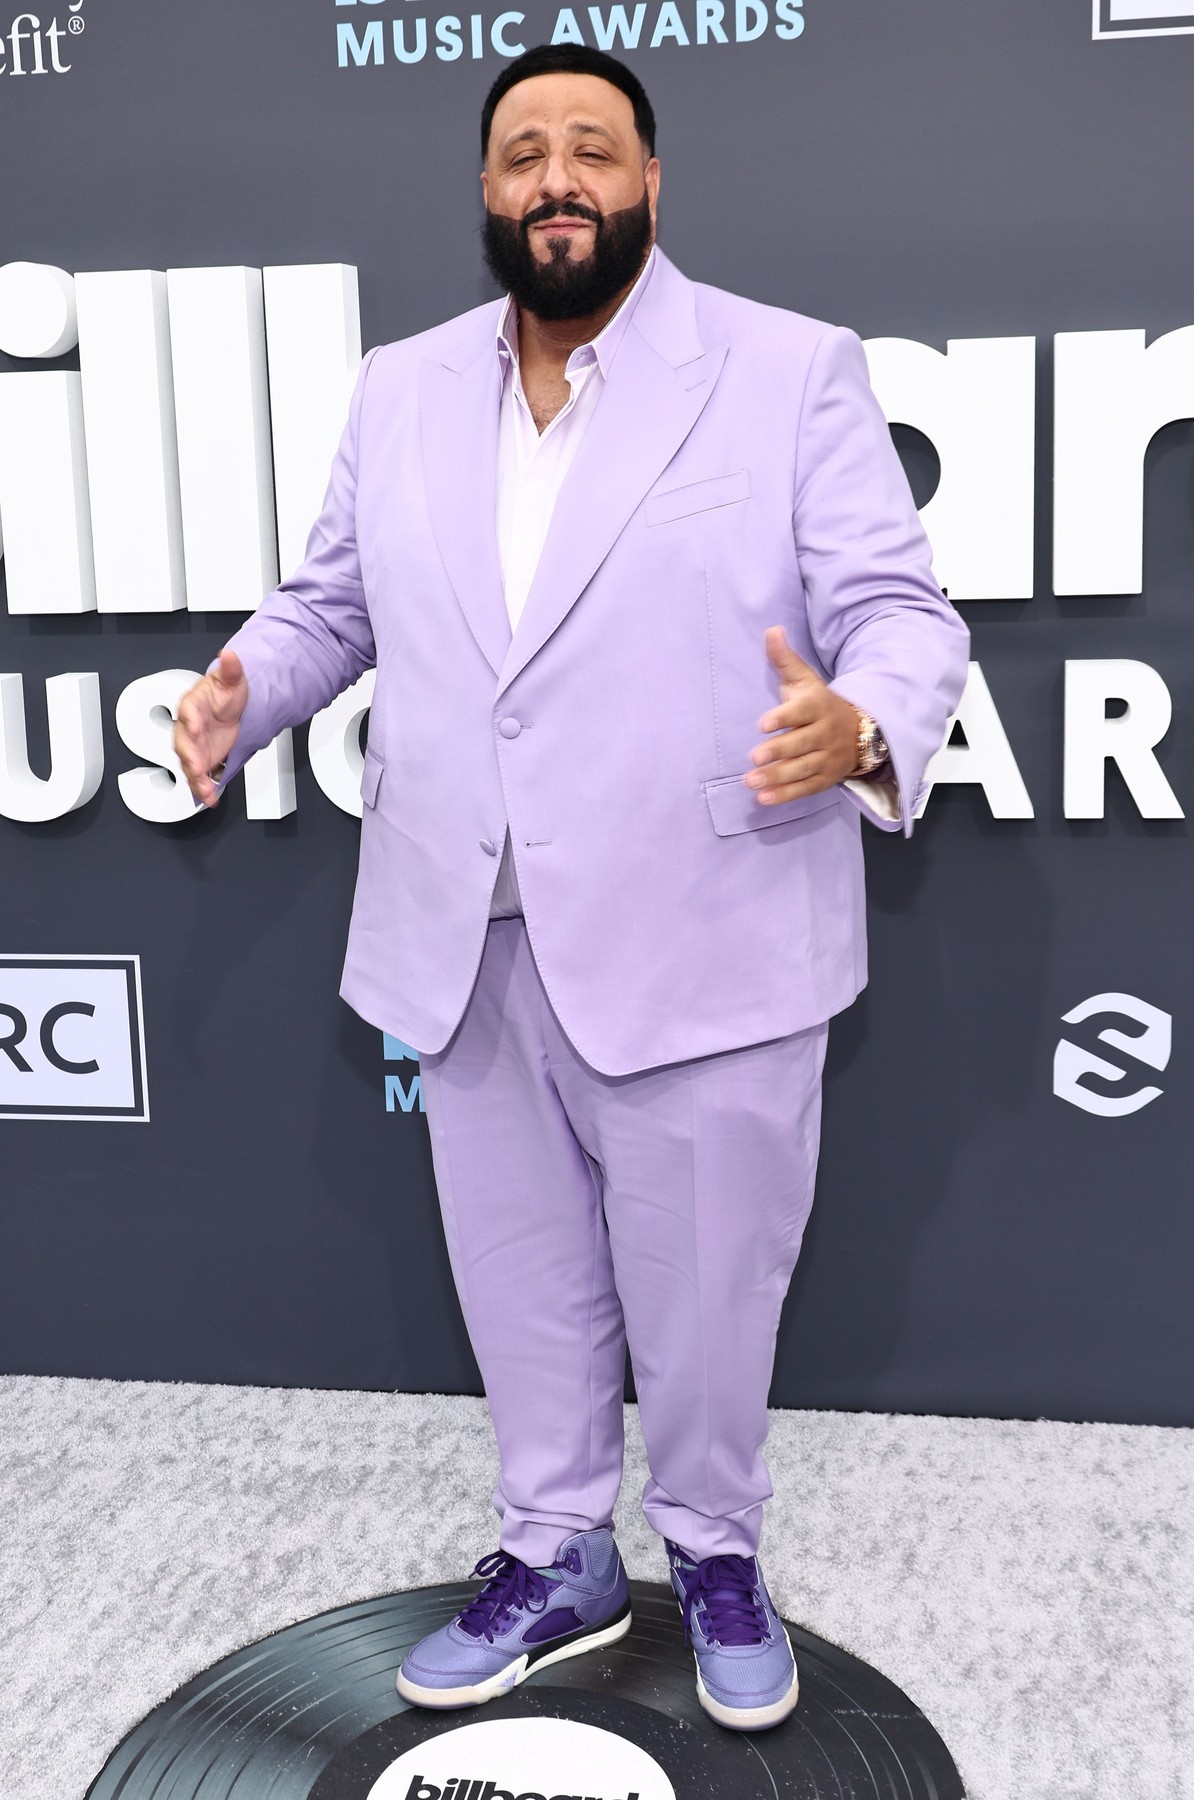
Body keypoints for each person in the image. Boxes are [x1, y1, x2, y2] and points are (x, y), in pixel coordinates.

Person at [174, 43, 969, 1734]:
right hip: (464, 934)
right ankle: (555, 1554)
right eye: (524, 150)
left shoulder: (785, 367)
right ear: (485, 189)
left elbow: (900, 613)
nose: (557, 178)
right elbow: (333, 604)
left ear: (649, 183)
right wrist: (251, 687)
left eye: (592, 149)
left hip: (707, 931)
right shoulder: (401, 387)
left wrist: (860, 723)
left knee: (706, 1297)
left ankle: (716, 1551)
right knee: (522, 1285)